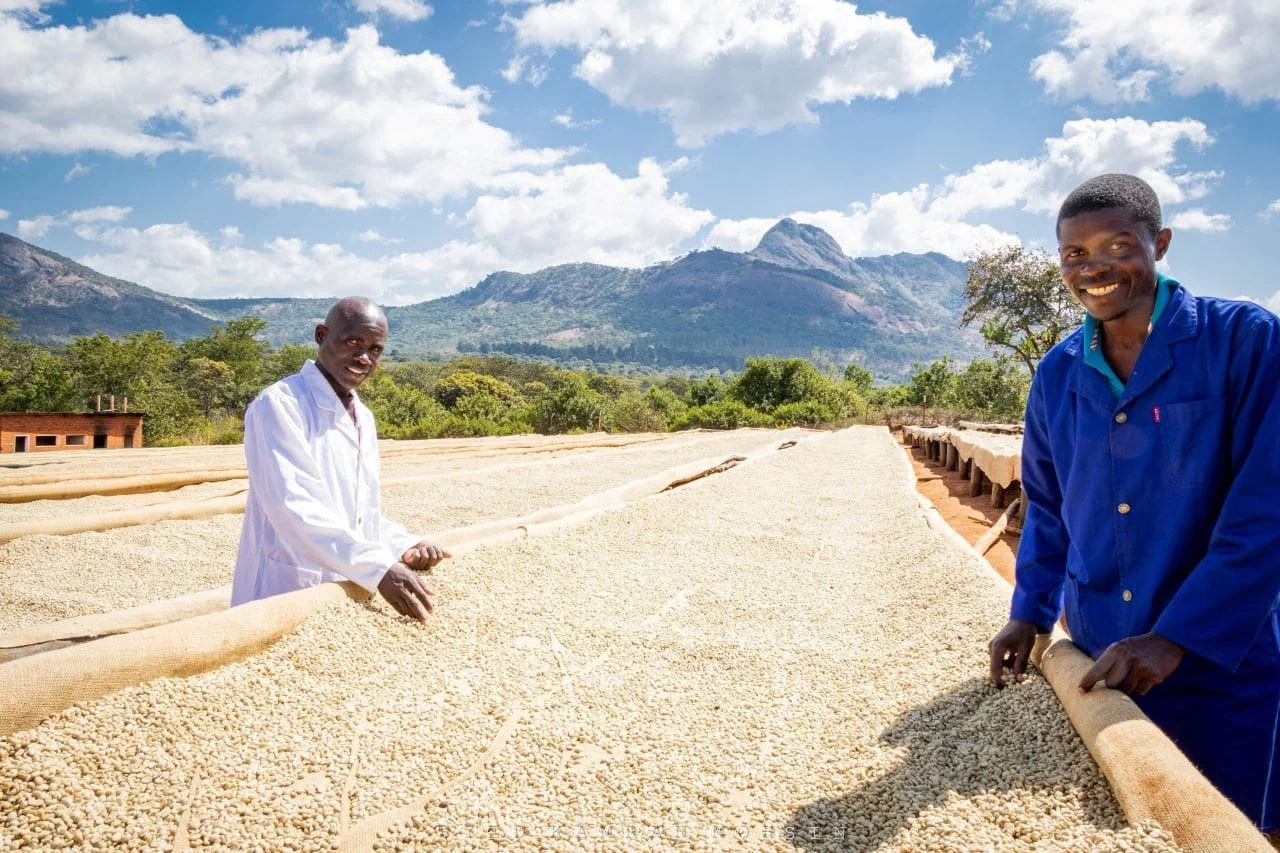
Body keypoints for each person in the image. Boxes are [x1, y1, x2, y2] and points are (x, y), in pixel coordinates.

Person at [987, 173, 1280, 831]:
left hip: (1218, 663)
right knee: (1116, 827)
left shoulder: (1246, 342)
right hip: (1101, 656)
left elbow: (1267, 509)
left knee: (1220, 825)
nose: (1094, 268)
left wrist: (1177, 636)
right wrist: (1029, 613)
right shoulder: (1058, 373)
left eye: (1117, 245)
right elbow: (1049, 503)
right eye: (1075, 254)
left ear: (1161, 243)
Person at [230, 296, 448, 622]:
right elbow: (293, 506)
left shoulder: (364, 417)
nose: (363, 357)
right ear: (321, 336)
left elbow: (359, 514)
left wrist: (406, 544)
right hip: (283, 586)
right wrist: (378, 568)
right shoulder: (280, 405)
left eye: (375, 349)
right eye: (352, 342)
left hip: (338, 592)